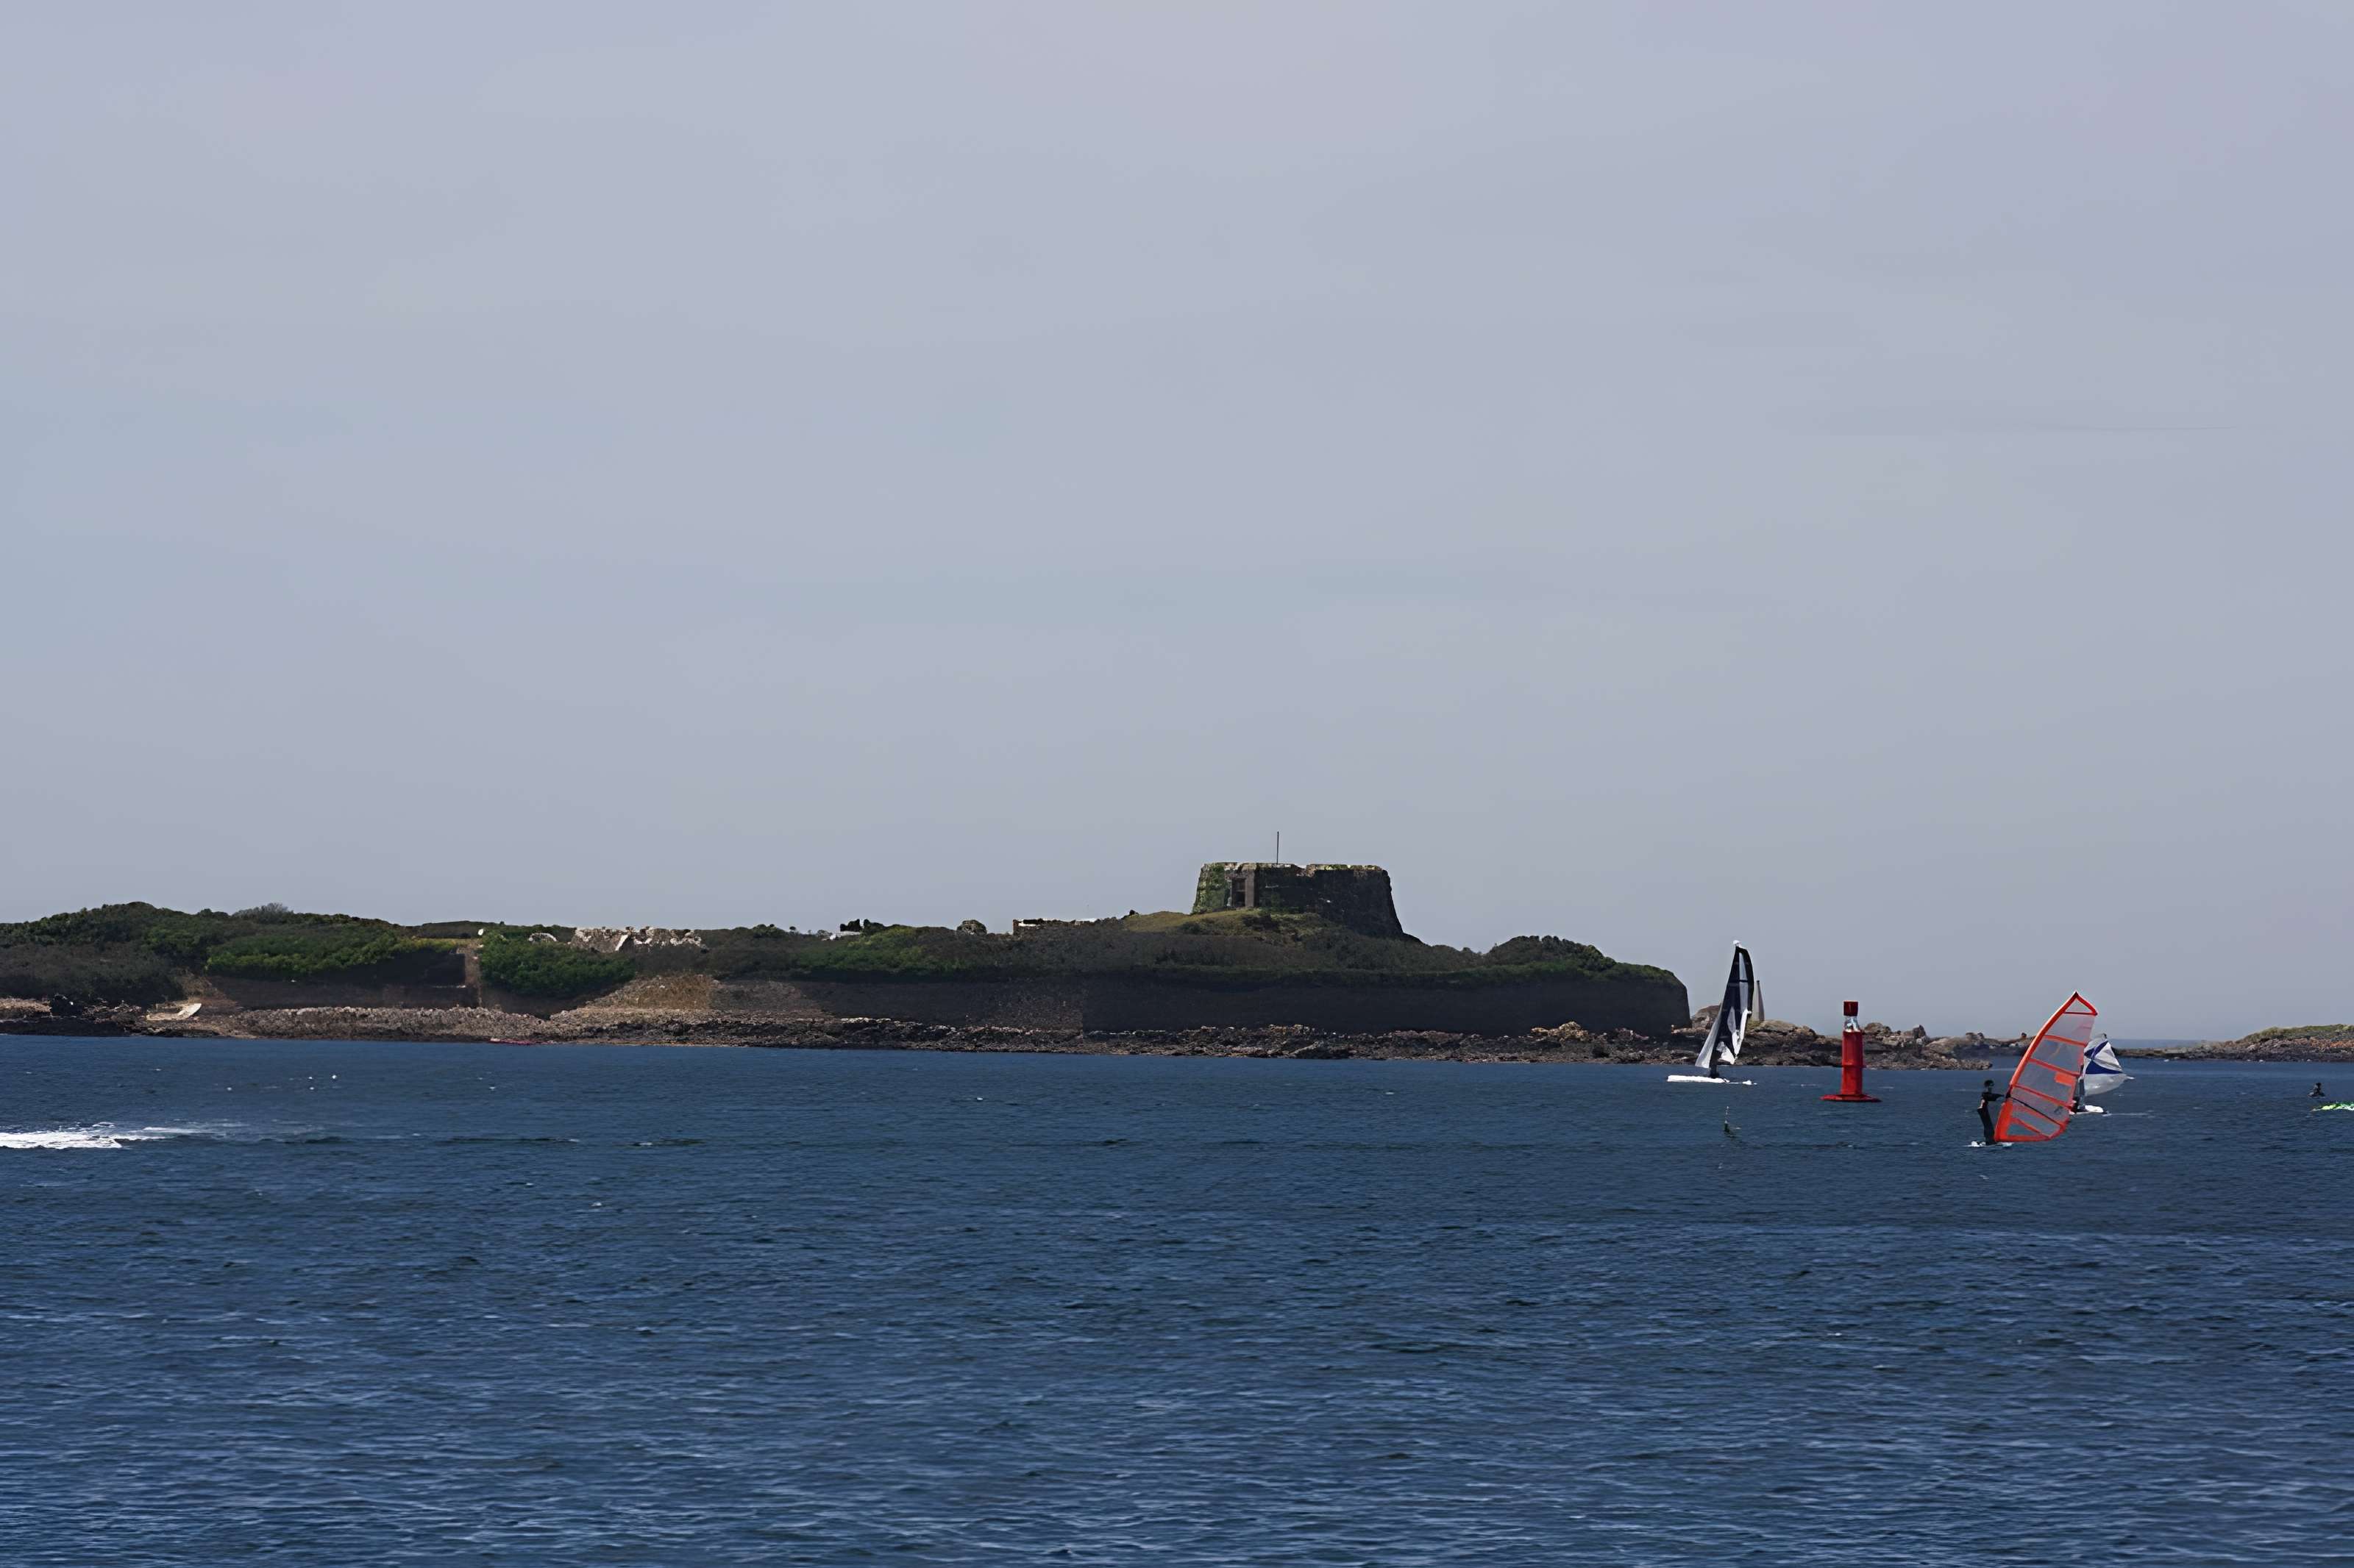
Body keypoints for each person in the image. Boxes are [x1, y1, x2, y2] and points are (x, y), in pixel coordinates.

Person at [1978, 1078, 2004, 1143]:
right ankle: (1989, 1140)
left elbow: (1991, 1097)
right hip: (1983, 1110)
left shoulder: (1988, 1091)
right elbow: (1990, 1097)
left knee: (1989, 1125)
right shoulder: (1986, 1091)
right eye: (1991, 1085)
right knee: (1989, 1126)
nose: (1992, 1087)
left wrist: (2000, 1096)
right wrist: (2000, 1096)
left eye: (1993, 1085)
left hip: (1984, 1110)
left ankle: (1989, 1139)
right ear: (1987, 1085)